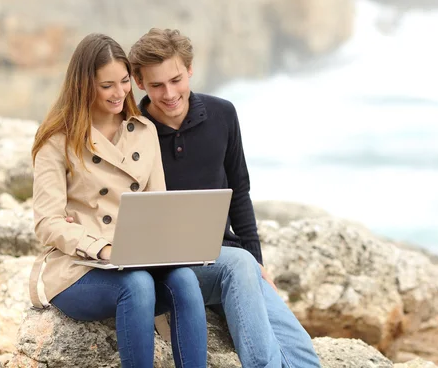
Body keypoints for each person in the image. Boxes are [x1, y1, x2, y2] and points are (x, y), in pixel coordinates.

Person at [128, 28, 321, 368]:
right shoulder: (131, 130)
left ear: (189, 69)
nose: (169, 93)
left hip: (227, 262)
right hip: (167, 269)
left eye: (176, 79)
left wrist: (258, 262)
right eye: (157, 85)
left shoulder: (223, 115)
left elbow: (239, 193)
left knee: (302, 355)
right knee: (239, 264)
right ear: (139, 83)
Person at [28, 33, 208, 368]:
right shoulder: (57, 140)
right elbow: (47, 223)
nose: (120, 92)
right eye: (106, 85)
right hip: (79, 268)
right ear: (84, 85)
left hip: (138, 259)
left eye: (125, 81)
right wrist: (104, 249)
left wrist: (177, 245)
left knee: (184, 278)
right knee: (137, 285)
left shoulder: (143, 131)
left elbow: (159, 209)